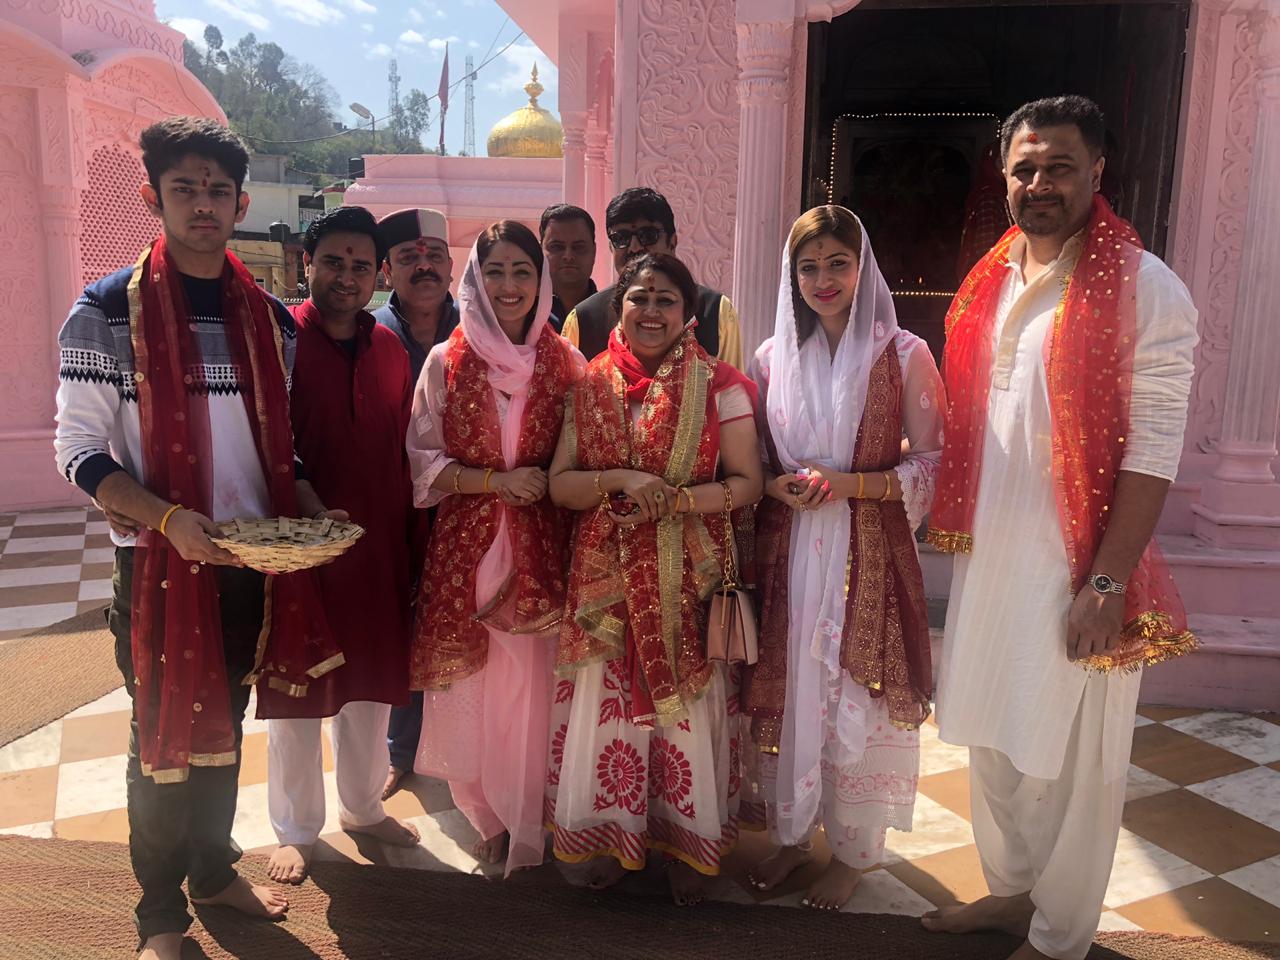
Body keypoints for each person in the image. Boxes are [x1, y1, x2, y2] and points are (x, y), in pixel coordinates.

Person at [53, 117, 344, 960]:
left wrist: (314, 507)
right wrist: (168, 521)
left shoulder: (272, 324)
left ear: (242, 201)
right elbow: (78, 449)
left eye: (219, 190)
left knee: (227, 721)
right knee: (160, 740)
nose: (205, 204)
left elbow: (276, 448)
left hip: (250, 564)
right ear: (154, 196)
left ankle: (213, 872)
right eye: (186, 188)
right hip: (158, 566)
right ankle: (159, 919)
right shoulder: (107, 311)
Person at [922, 96, 1199, 960]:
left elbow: (1154, 451)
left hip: (1081, 565)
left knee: (1079, 764)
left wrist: (1106, 585)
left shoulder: (1145, 287)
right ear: (1005, 177)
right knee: (997, 743)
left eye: (1060, 167)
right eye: (1025, 168)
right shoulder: (992, 279)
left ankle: (1062, 935)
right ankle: (1011, 895)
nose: (1040, 184)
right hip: (992, 559)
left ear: (1098, 174)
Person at [545, 251, 764, 906]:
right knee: (611, 720)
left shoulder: (721, 385)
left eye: (667, 299)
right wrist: (622, 481)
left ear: (688, 312)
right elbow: (560, 485)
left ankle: (684, 847)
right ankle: (615, 839)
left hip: (685, 584)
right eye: (640, 297)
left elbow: (747, 484)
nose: (651, 311)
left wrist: (675, 500)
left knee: (683, 721)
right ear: (620, 306)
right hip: (606, 594)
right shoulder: (587, 384)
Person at [743, 205, 944, 910]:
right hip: (793, 550)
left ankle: (855, 853)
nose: (823, 279)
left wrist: (849, 485)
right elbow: (756, 462)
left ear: (863, 268)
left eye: (837, 262)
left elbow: (934, 462)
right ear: (791, 276)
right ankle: (794, 837)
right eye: (808, 266)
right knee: (795, 682)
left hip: (867, 552)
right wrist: (776, 484)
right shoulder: (772, 359)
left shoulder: (905, 354)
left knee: (853, 687)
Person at [407, 219, 586, 874]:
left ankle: (531, 808)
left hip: (540, 550)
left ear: (541, 281)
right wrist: (495, 482)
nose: (509, 286)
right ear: (475, 280)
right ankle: (485, 811)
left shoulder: (566, 364)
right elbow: (422, 464)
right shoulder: (445, 362)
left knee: (532, 684)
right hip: (470, 551)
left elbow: (586, 457)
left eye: (522, 271)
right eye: (497, 272)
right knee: (476, 685)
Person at [262, 205, 423, 885]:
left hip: (379, 546)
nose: (347, 276)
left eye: (362, 265)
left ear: (379, 274)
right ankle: (296, 828)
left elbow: (404, 452)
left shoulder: (389, 346)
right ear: (308, 262)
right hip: (301, 548)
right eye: (334, 261)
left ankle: (361, 808)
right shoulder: (279, 342)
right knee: (299, 688)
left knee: (370, 686)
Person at [372, 206, 457, 801]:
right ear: (387, 270)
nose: (423, 266)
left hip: (467, 504)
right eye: (409, 257)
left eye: (434, 256)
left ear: (452, 266)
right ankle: (402, 750)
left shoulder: (480, 330)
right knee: (401, 626)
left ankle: (465, 750)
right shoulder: (367, 333)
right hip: (392, 507)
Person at [559, 187, 744, 368]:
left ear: (672, 242)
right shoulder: (583, 319)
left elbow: (732, 392)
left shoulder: (714, 311)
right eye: (621, 238)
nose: (634, 247)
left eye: (648, 235)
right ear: (610, 247)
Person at [539, 202, 598, 324]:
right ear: (540, 251)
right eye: (556, 247)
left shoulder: (615, 315)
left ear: (594, 251)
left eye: (578, 247)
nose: (568, 256)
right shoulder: (522, 315)